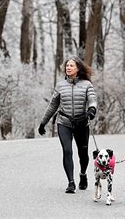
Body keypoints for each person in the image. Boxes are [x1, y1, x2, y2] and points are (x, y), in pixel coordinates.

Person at [38, 56, 97, 194]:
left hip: (82, 122)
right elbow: (53, 105)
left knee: (83, 154)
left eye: (71, 65)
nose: (68, 68)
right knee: (67, 150)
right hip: (64, 122)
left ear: (78, 69)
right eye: (67, 66)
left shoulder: (87, 85)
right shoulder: (60, 85)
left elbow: (92, 100)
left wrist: (92, 109)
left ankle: (83, 174)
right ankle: (71, 182)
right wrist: (43, 123)